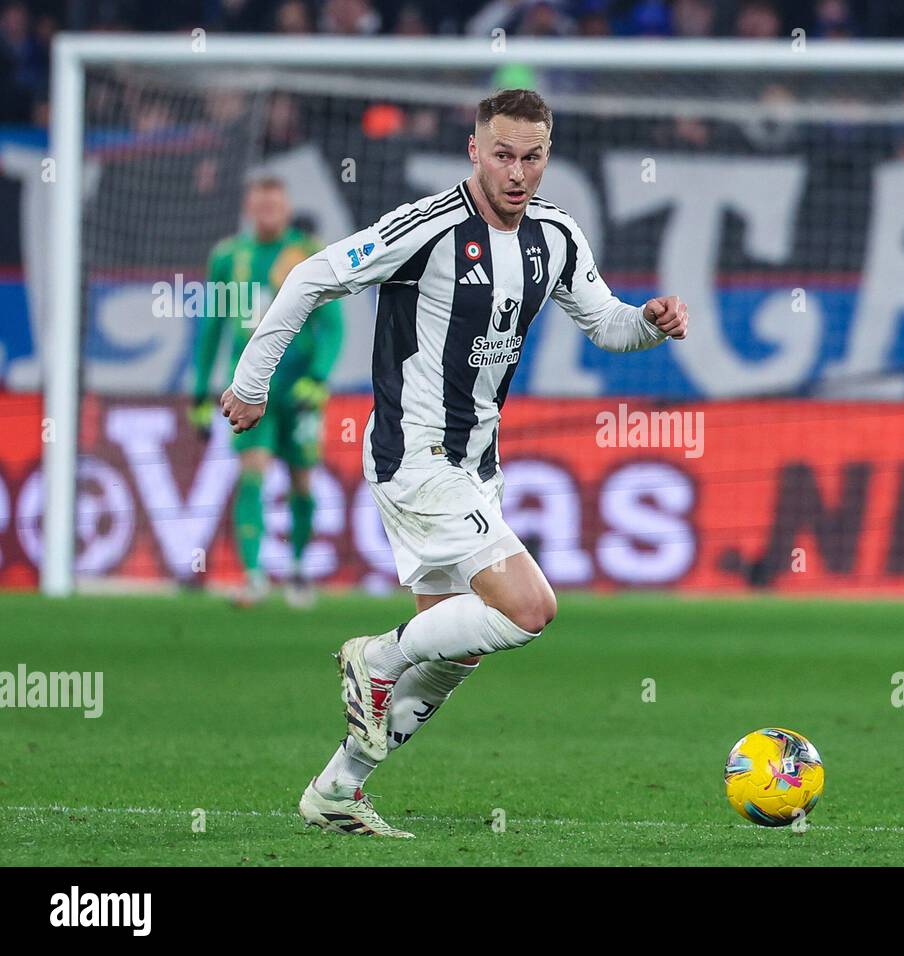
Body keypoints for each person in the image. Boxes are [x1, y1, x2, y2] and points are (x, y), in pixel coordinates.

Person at [220, 89, 688, 837]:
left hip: (475, 465)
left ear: (547, 156)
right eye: (502, 154)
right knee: (529, 608)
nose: (517, 172)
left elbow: (607, 326)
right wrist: (252, 382)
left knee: (456, 650)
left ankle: (338, 788)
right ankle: (371, 659)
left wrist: (650, 323)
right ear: (474, 149)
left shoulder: (556, 237)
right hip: (414, 454)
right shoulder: (428, 228)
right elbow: (311, 277)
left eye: (532, 156)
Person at [192, 175, 343, 608]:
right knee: (252, 472)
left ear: (287, 207)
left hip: (298, 389)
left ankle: (297, 569)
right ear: (248, 207)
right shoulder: (229, 257)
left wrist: (318, 377)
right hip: (249, 388)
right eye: (260, 206)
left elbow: (332, 326)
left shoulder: (308, 253)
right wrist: (199, 393)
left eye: (274, 206)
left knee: (301, 479)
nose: (267, 213)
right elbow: (212, 328)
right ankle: (254, 575)